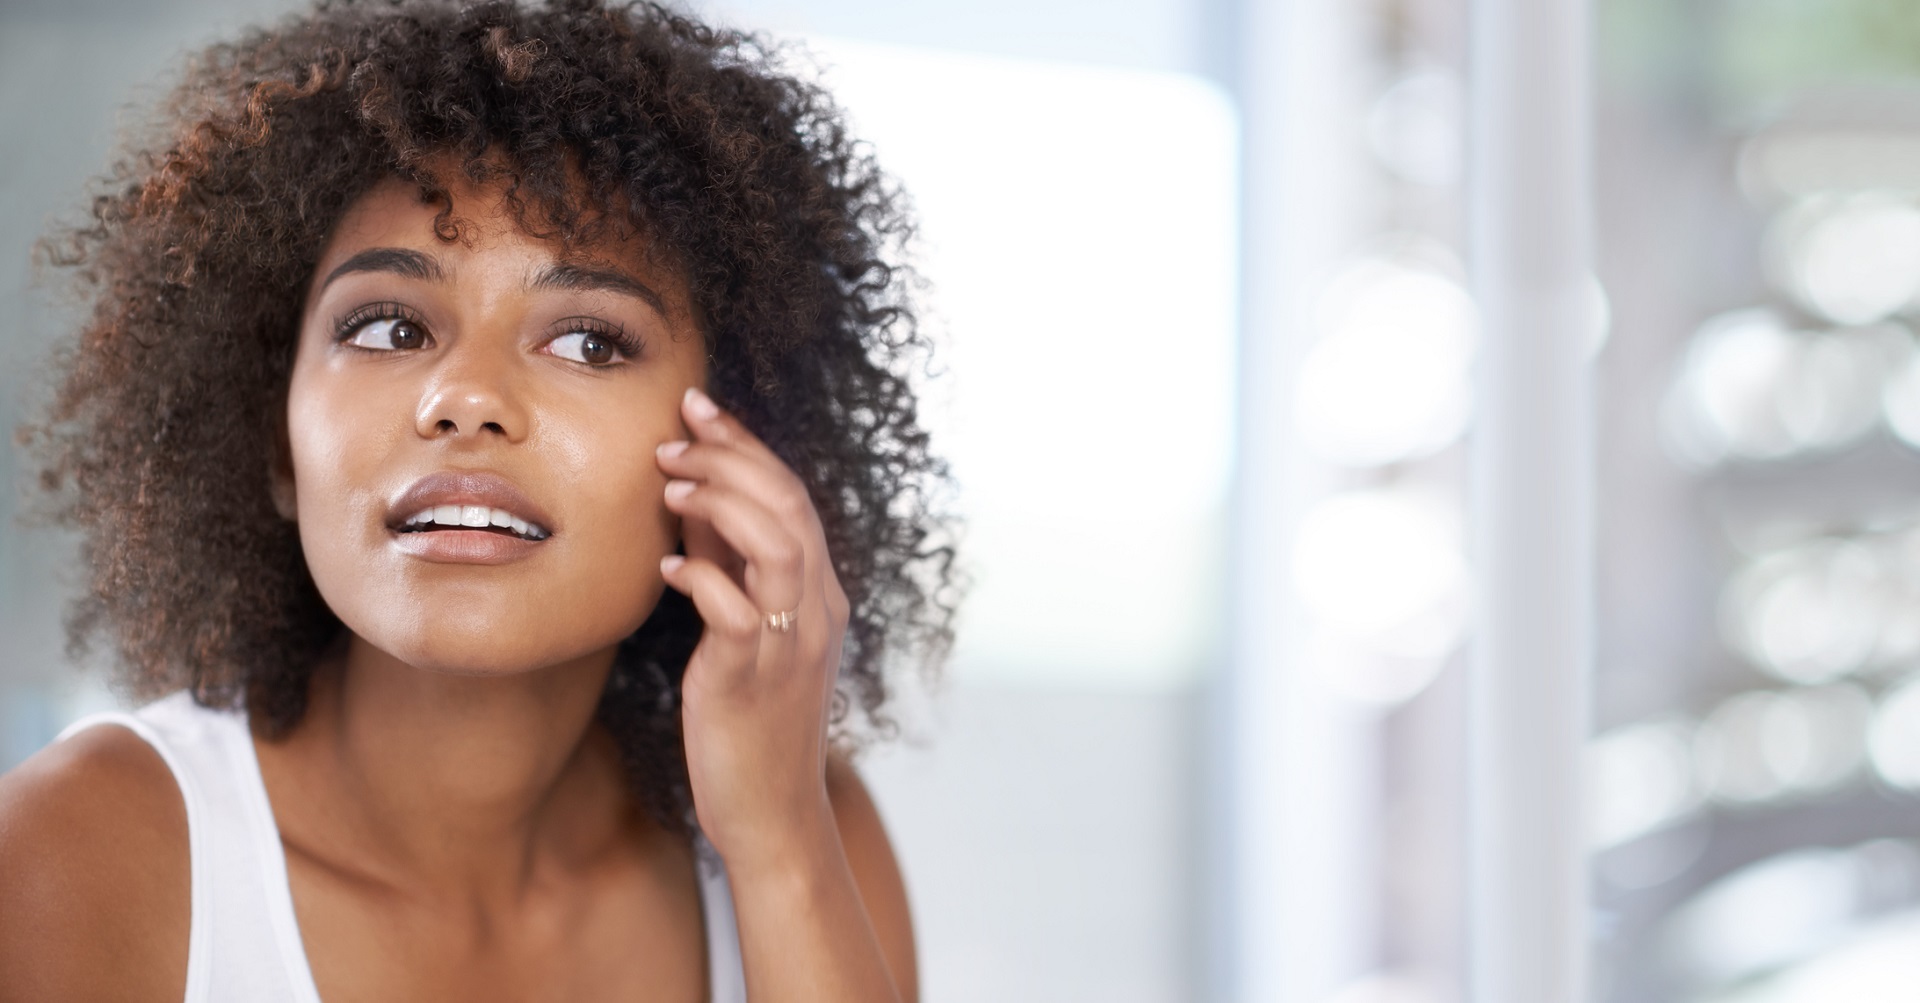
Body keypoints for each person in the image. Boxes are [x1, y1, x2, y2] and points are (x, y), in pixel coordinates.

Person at [0, 1, 958, 1000]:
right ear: (275, 442)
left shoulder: (809, 832)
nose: (466, 399)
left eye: (589, 340)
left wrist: (780, 846)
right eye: (386, 327)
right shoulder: (70, 856)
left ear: (741, 448)